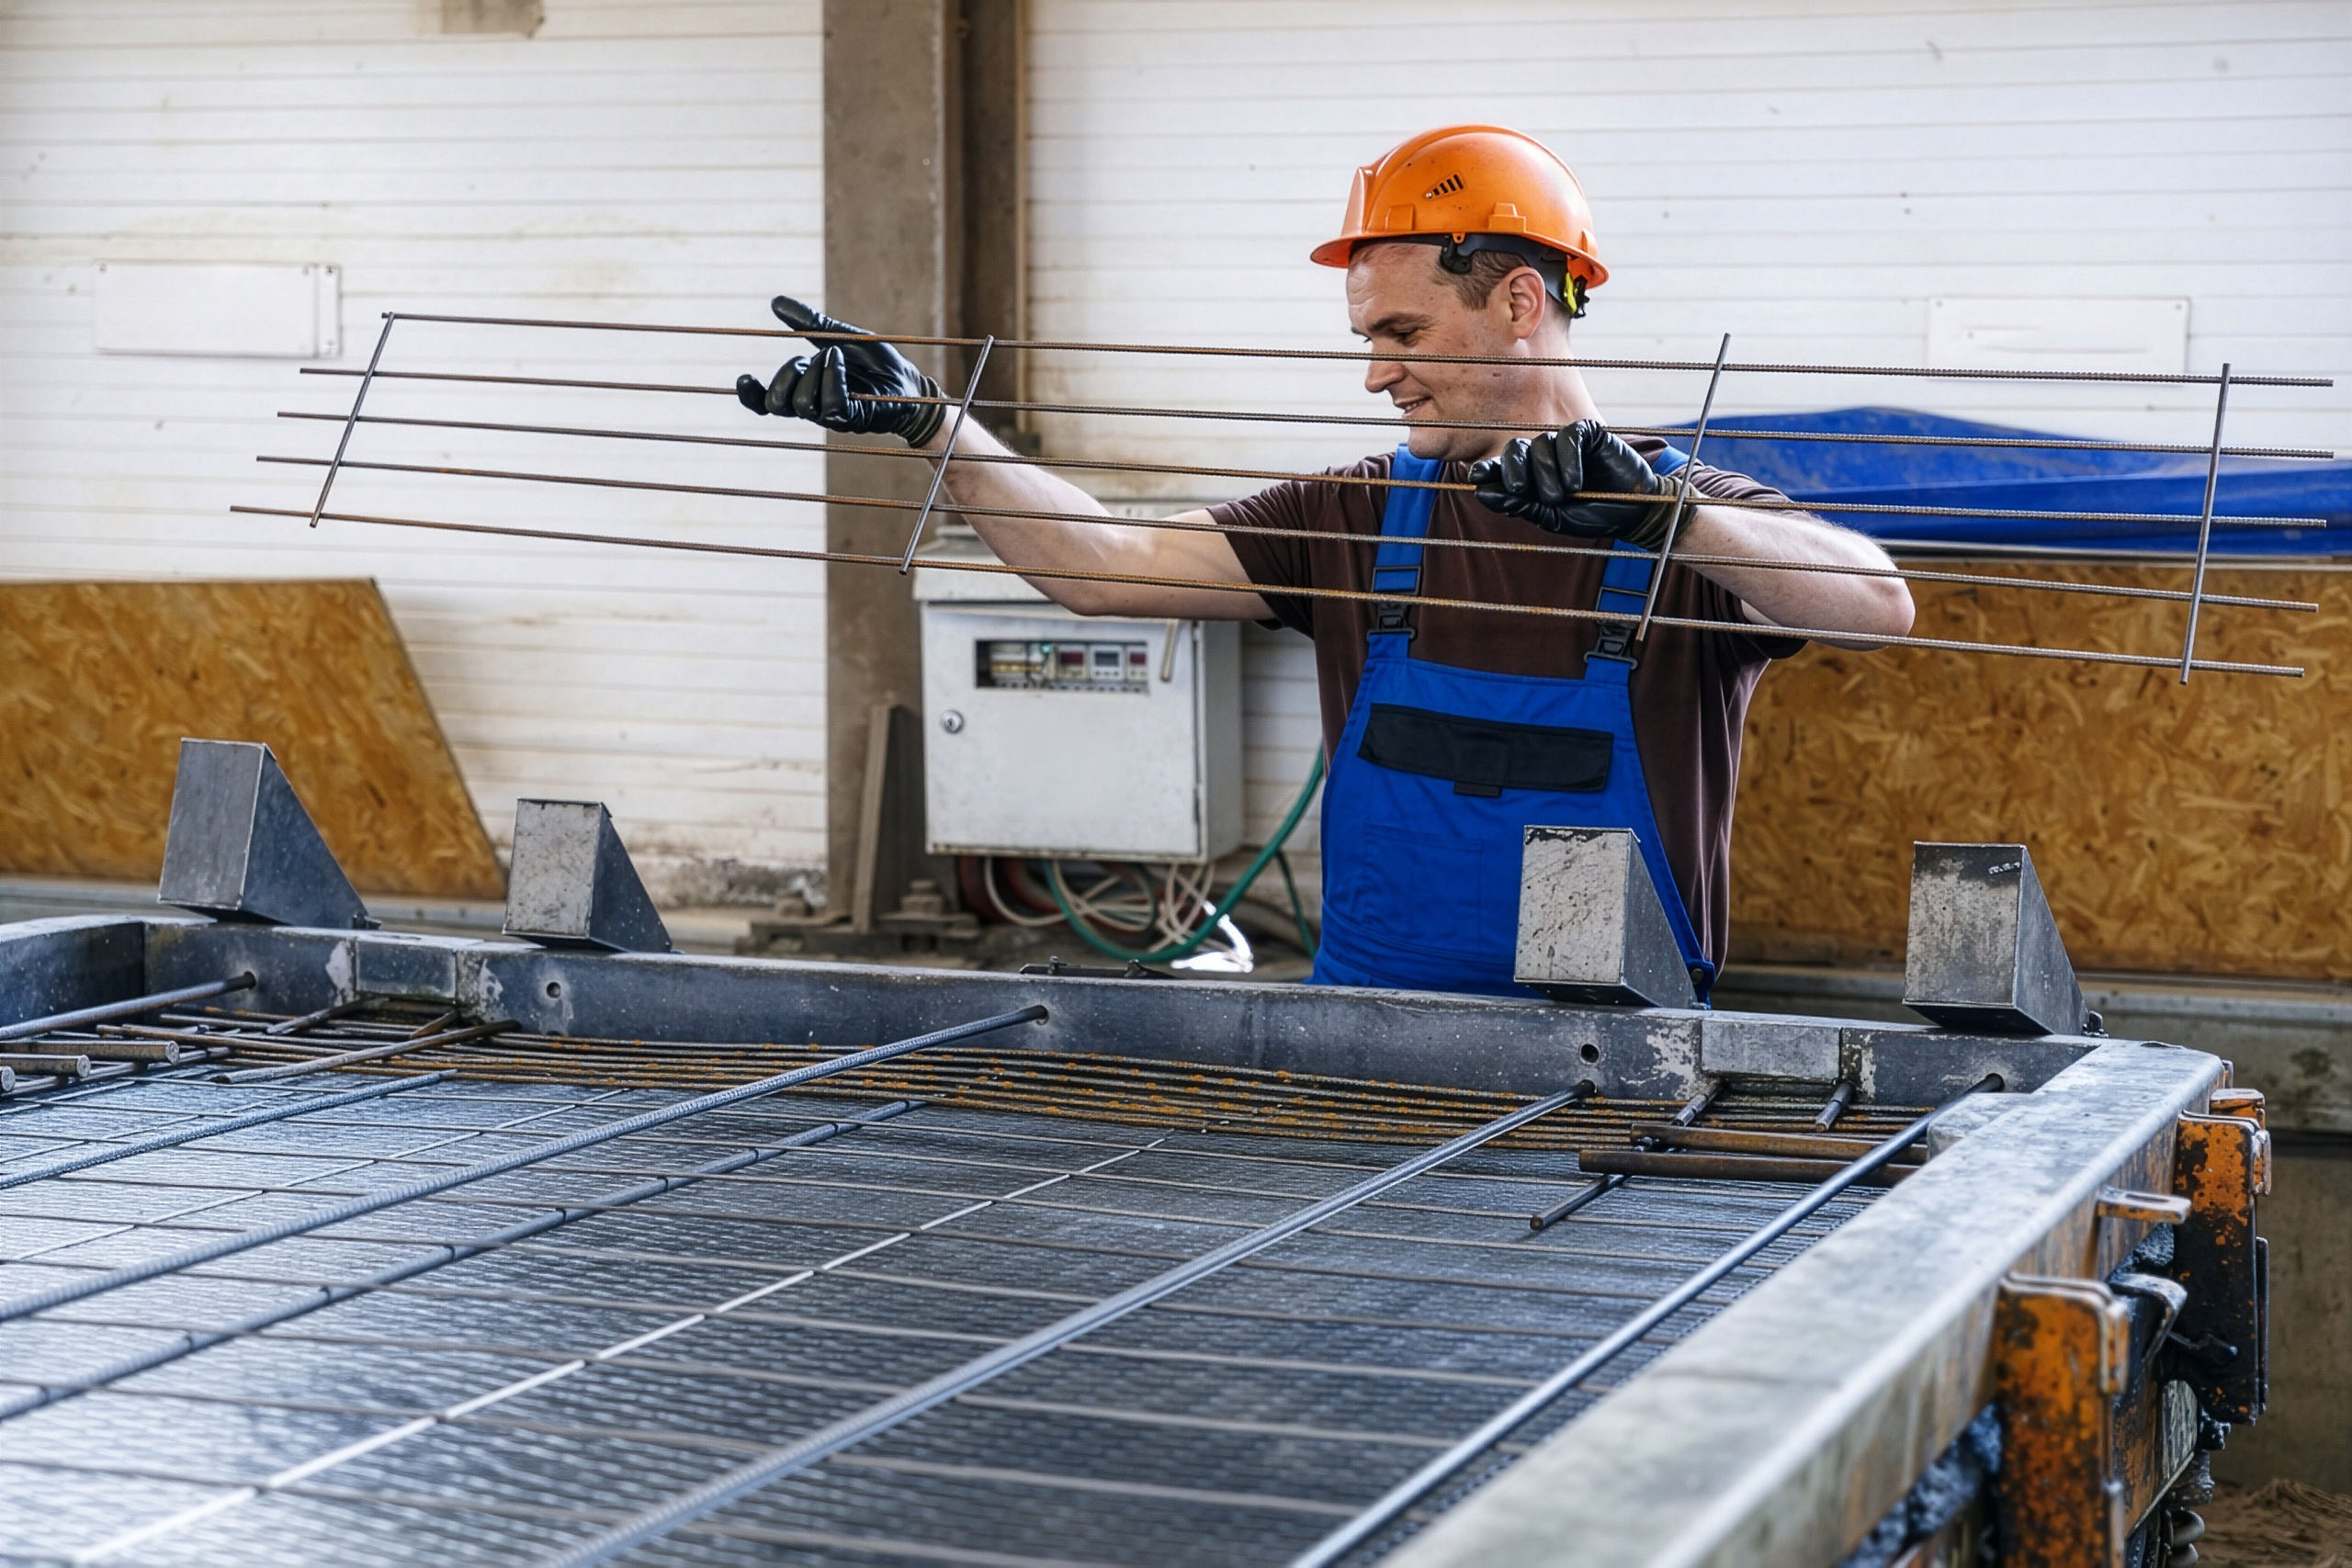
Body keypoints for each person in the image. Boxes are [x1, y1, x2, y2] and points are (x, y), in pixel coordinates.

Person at [738, 123, 1913, 1000]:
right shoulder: (1351, 517)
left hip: (1613, 1065)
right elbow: (1100, 564)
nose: (1375, 374)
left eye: (1401, 336)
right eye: (1367, 341)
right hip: (1360, 1041)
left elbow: (1878, 608)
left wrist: (1664, 519)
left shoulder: (1695, 519)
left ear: (1516, 301)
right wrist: (935, 425)